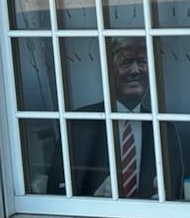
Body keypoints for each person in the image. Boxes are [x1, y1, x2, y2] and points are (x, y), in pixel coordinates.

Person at [68, 37, 183, 200]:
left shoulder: (165, 130)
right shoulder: (79, 124)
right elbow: (58, 192)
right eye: (126, 62)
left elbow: (176, 192)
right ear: (109, 70)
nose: (136, 70)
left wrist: (164, 195)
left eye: (143, 62)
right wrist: (95, 196)